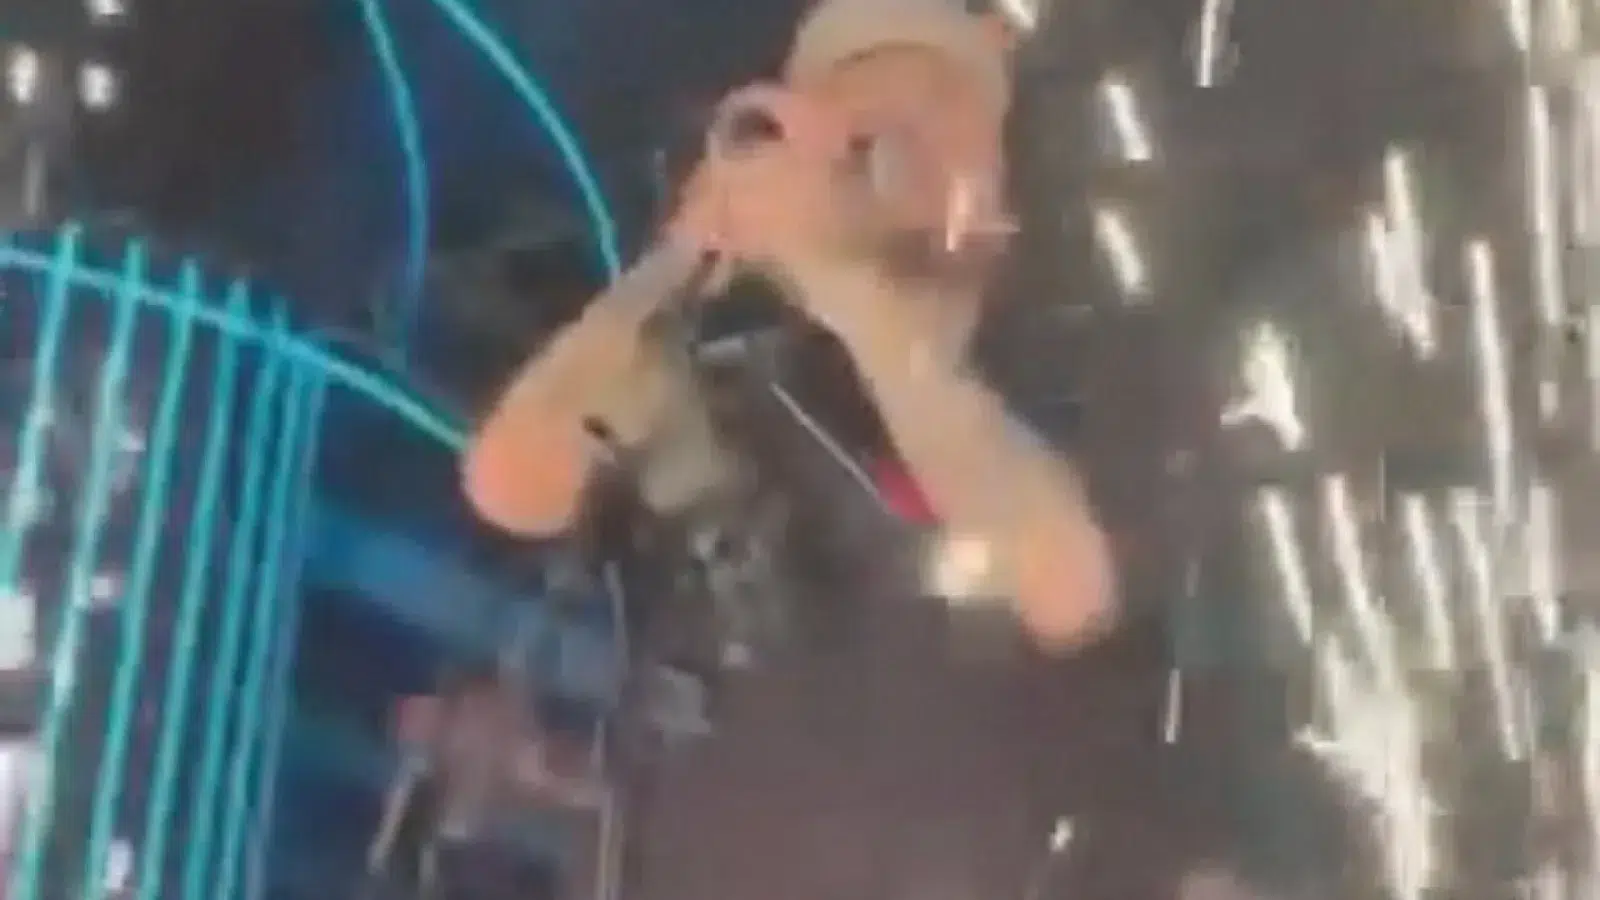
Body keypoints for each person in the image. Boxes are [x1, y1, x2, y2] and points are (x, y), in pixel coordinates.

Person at [463, 0, 1117, 653]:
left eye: (898, 135)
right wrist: (677, 257)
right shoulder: (732, 360)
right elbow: (508, 482)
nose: (866, 159)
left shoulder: (1059, 339)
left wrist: (851, 292)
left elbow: (1067, 591)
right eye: (850, 134)